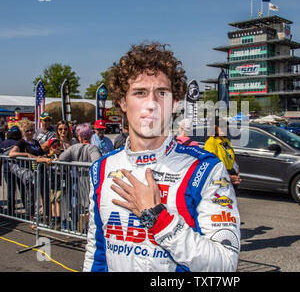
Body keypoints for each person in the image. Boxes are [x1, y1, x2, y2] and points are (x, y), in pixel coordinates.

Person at [83, 42, 240, 272]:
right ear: (123, 103)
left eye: (162, 93)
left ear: (175, 102)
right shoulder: (101, 168)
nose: (151, 104)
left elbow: (225, 265)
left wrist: (159, 218)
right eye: (139, 93)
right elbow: (96, 252)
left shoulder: (204, 169)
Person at [204, 120, 242, 191]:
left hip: (230, 173)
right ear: (215, 128)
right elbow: (211, 164)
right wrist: (228, 176)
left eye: (225, 127)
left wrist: (237, 172)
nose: (224, 129)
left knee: (231, 199)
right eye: (221, 127)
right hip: (220, 176)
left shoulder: (226, 141)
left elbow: (231, 157)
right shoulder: (211, 142)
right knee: (222, 199)